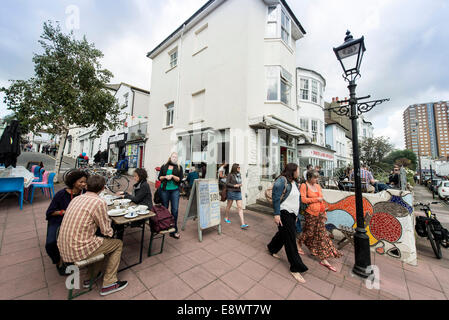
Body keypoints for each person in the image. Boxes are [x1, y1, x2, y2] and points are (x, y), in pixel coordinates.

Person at [58, 175, 128, 296]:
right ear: (102, 188)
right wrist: (112, 231)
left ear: (87, 186)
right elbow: (107, 231)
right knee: (117, 244)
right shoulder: (99, 202)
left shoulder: (77, 198)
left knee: (100, 242)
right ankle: (110, 282)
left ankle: (91, 276)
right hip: (77, 250)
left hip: (63, 246)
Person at [267, 163, 309, 283]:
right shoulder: (282, 180)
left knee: (282, 234)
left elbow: (296, 200)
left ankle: (272, 248)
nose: (299, 171)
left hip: (292, 215)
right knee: (290, 240)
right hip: (283, 213)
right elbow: (276, 198)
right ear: (292, 171)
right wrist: (276, 214)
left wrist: (296, 215)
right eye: (297, 170)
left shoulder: (294, 183)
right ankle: (295, 267)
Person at [297, 170, 342, 272]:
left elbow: (322, 200)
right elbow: (303, 200)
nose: (317, 180)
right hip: (310, 213)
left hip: (320, 213)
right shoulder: (304, 185)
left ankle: (323, 259)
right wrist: (317, 199)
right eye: (315, 178)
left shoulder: (317, 186)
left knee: (321, 235)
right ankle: (299, 243)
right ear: (309, 177)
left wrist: (324, 213)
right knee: (309, 232)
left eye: (317, 178)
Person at [45, 170, 88, 275]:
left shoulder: (84, 194)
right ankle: (58, 262)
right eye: (81, 182)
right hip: (58, 220)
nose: (83, 184)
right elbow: (50, 212)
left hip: (75, 222)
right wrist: (64, 212)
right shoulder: (61, 194)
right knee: (51, 243)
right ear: (73, 182)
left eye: (85, 182)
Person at [158, 152, 183, 239]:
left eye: (176, 157)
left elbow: (180, 179)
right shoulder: (164, 166)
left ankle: (174, 230)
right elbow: (159, 177)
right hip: (164, 190)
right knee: (164, 209)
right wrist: (165, 177)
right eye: (173, 156)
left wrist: (172, 176)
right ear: (170, 157)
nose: (174, 158)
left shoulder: (179, 167)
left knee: (175, 210)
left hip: (175, 190)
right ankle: (164, 226)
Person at [224, 163, 248, 229]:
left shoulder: (239, 174)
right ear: (235, 168)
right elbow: (227, 183)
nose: (239, 168)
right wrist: (234, 185)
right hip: (231, 192)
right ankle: (226, 217)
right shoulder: (230, 174)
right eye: (238, 167)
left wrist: (240, 184)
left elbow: (239, 182)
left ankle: (243, 224)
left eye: (239, 167)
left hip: (238, 192)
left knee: (240, 207)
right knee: (229, 206)